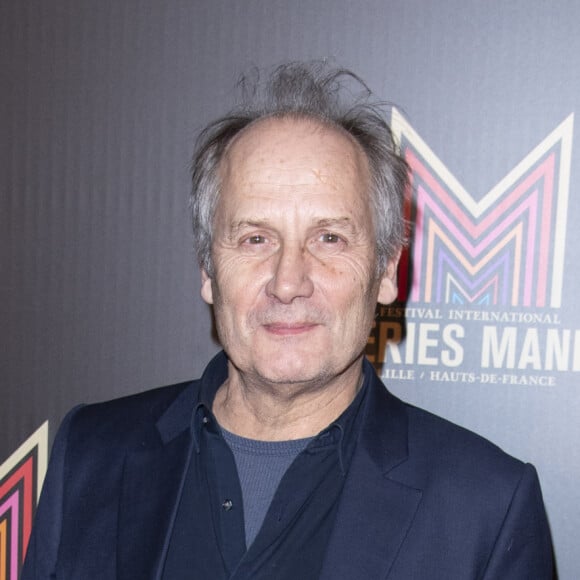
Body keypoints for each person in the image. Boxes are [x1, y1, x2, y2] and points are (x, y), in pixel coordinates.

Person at [22, 62, 553, 579]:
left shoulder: (485, 506)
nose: (288, 281)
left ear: (386, 270)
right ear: (208, 268)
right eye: (256, 238)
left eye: (329, 238)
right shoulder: (89, 455)